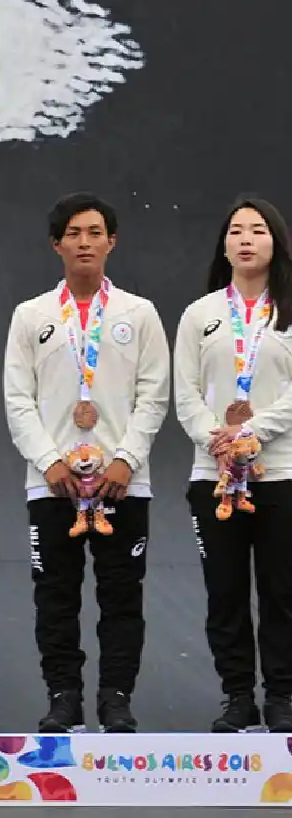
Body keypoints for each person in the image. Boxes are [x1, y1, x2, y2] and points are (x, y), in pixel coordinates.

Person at [3, 192, 169, 733]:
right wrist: (50, 462)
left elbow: (154, 395)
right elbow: (17, 398)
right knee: (56, 597)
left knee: (122, 596)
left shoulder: (138, 314)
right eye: (74, 233)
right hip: (52, 487)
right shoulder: (31, 315)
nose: (84, 242)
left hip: (124, 484)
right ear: (57, 244)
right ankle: (63, 699)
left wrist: (125, 459)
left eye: (95, 232)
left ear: (111, 242)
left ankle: (115, 699)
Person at [174, 196, 292, 733]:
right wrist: (214, 440)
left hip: (281, 473)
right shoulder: (201, 315)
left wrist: (251, 433)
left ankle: (282, 698)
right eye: (237, 230)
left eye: (258, 230)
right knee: (224, 592)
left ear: (276, 243)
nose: (247, 239)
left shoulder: (288, 309)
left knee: (281, 591)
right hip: (213, 477)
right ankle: (237, 697)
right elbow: (186, 393)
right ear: (224, 244)